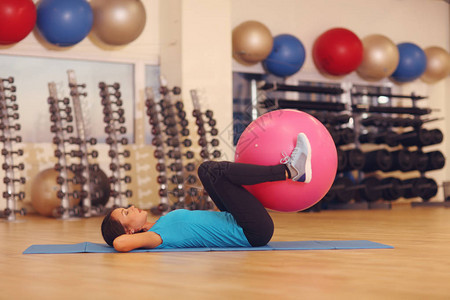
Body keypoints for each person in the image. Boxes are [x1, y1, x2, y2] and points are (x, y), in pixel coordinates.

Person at [101, 132, 312, 252]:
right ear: (129, 231)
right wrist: (130, 238)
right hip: (251, 231)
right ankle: (290, 170)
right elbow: (119, 243)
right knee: (217, 172)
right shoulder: (154, 238)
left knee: (206, 170)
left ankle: (290, 170)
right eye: (126, 214)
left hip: (237, 220)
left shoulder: (157, 226)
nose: (130, 207)